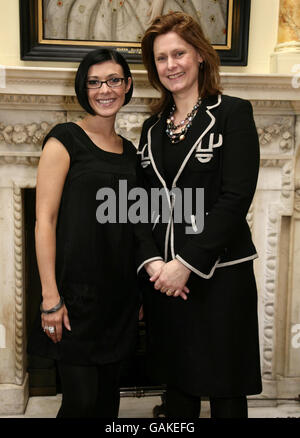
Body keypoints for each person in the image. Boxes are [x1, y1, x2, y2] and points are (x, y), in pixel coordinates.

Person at [137, 11, 262, 418]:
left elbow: (235, 198)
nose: (170, 65)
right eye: (161, 58)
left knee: (225, 392)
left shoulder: (233, 114)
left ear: (201, 56)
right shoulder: (151, 128)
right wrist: (156, 265)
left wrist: (186, 264)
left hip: (220, 274)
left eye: (179, 53)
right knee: (179, 389)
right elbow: (142, 204)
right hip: (166, 282)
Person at [27, 47, 161, 418]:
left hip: (119, 300)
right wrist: (50, 297)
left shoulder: (132, 153)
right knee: (80, 403)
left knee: (107, 404)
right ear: (84, 89)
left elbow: (135, 228)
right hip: (74, 300)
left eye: (114, 80)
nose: (105, 89)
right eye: (95, 82)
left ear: (128, 85)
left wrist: (138, 295)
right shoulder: (64, 139)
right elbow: (45, 221)